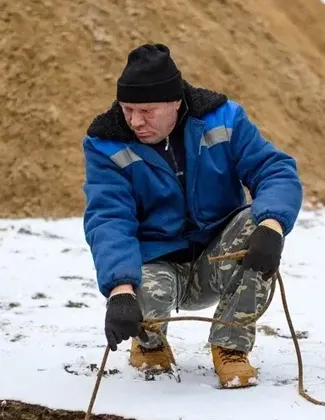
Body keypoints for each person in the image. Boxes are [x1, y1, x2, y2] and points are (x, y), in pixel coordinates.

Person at [81, 43, 303, 389]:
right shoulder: (106, 144)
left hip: (217, 256)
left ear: (174, 102)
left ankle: (230, 347)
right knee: (141, 293)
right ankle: (150, 344)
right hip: (156, 264)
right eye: (128, 110)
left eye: (147, 110)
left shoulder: (224, 120)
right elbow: (109, 218)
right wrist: (120, 292)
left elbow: (274, 170)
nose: (136, 121)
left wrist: (273, 227)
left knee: (254, 224)